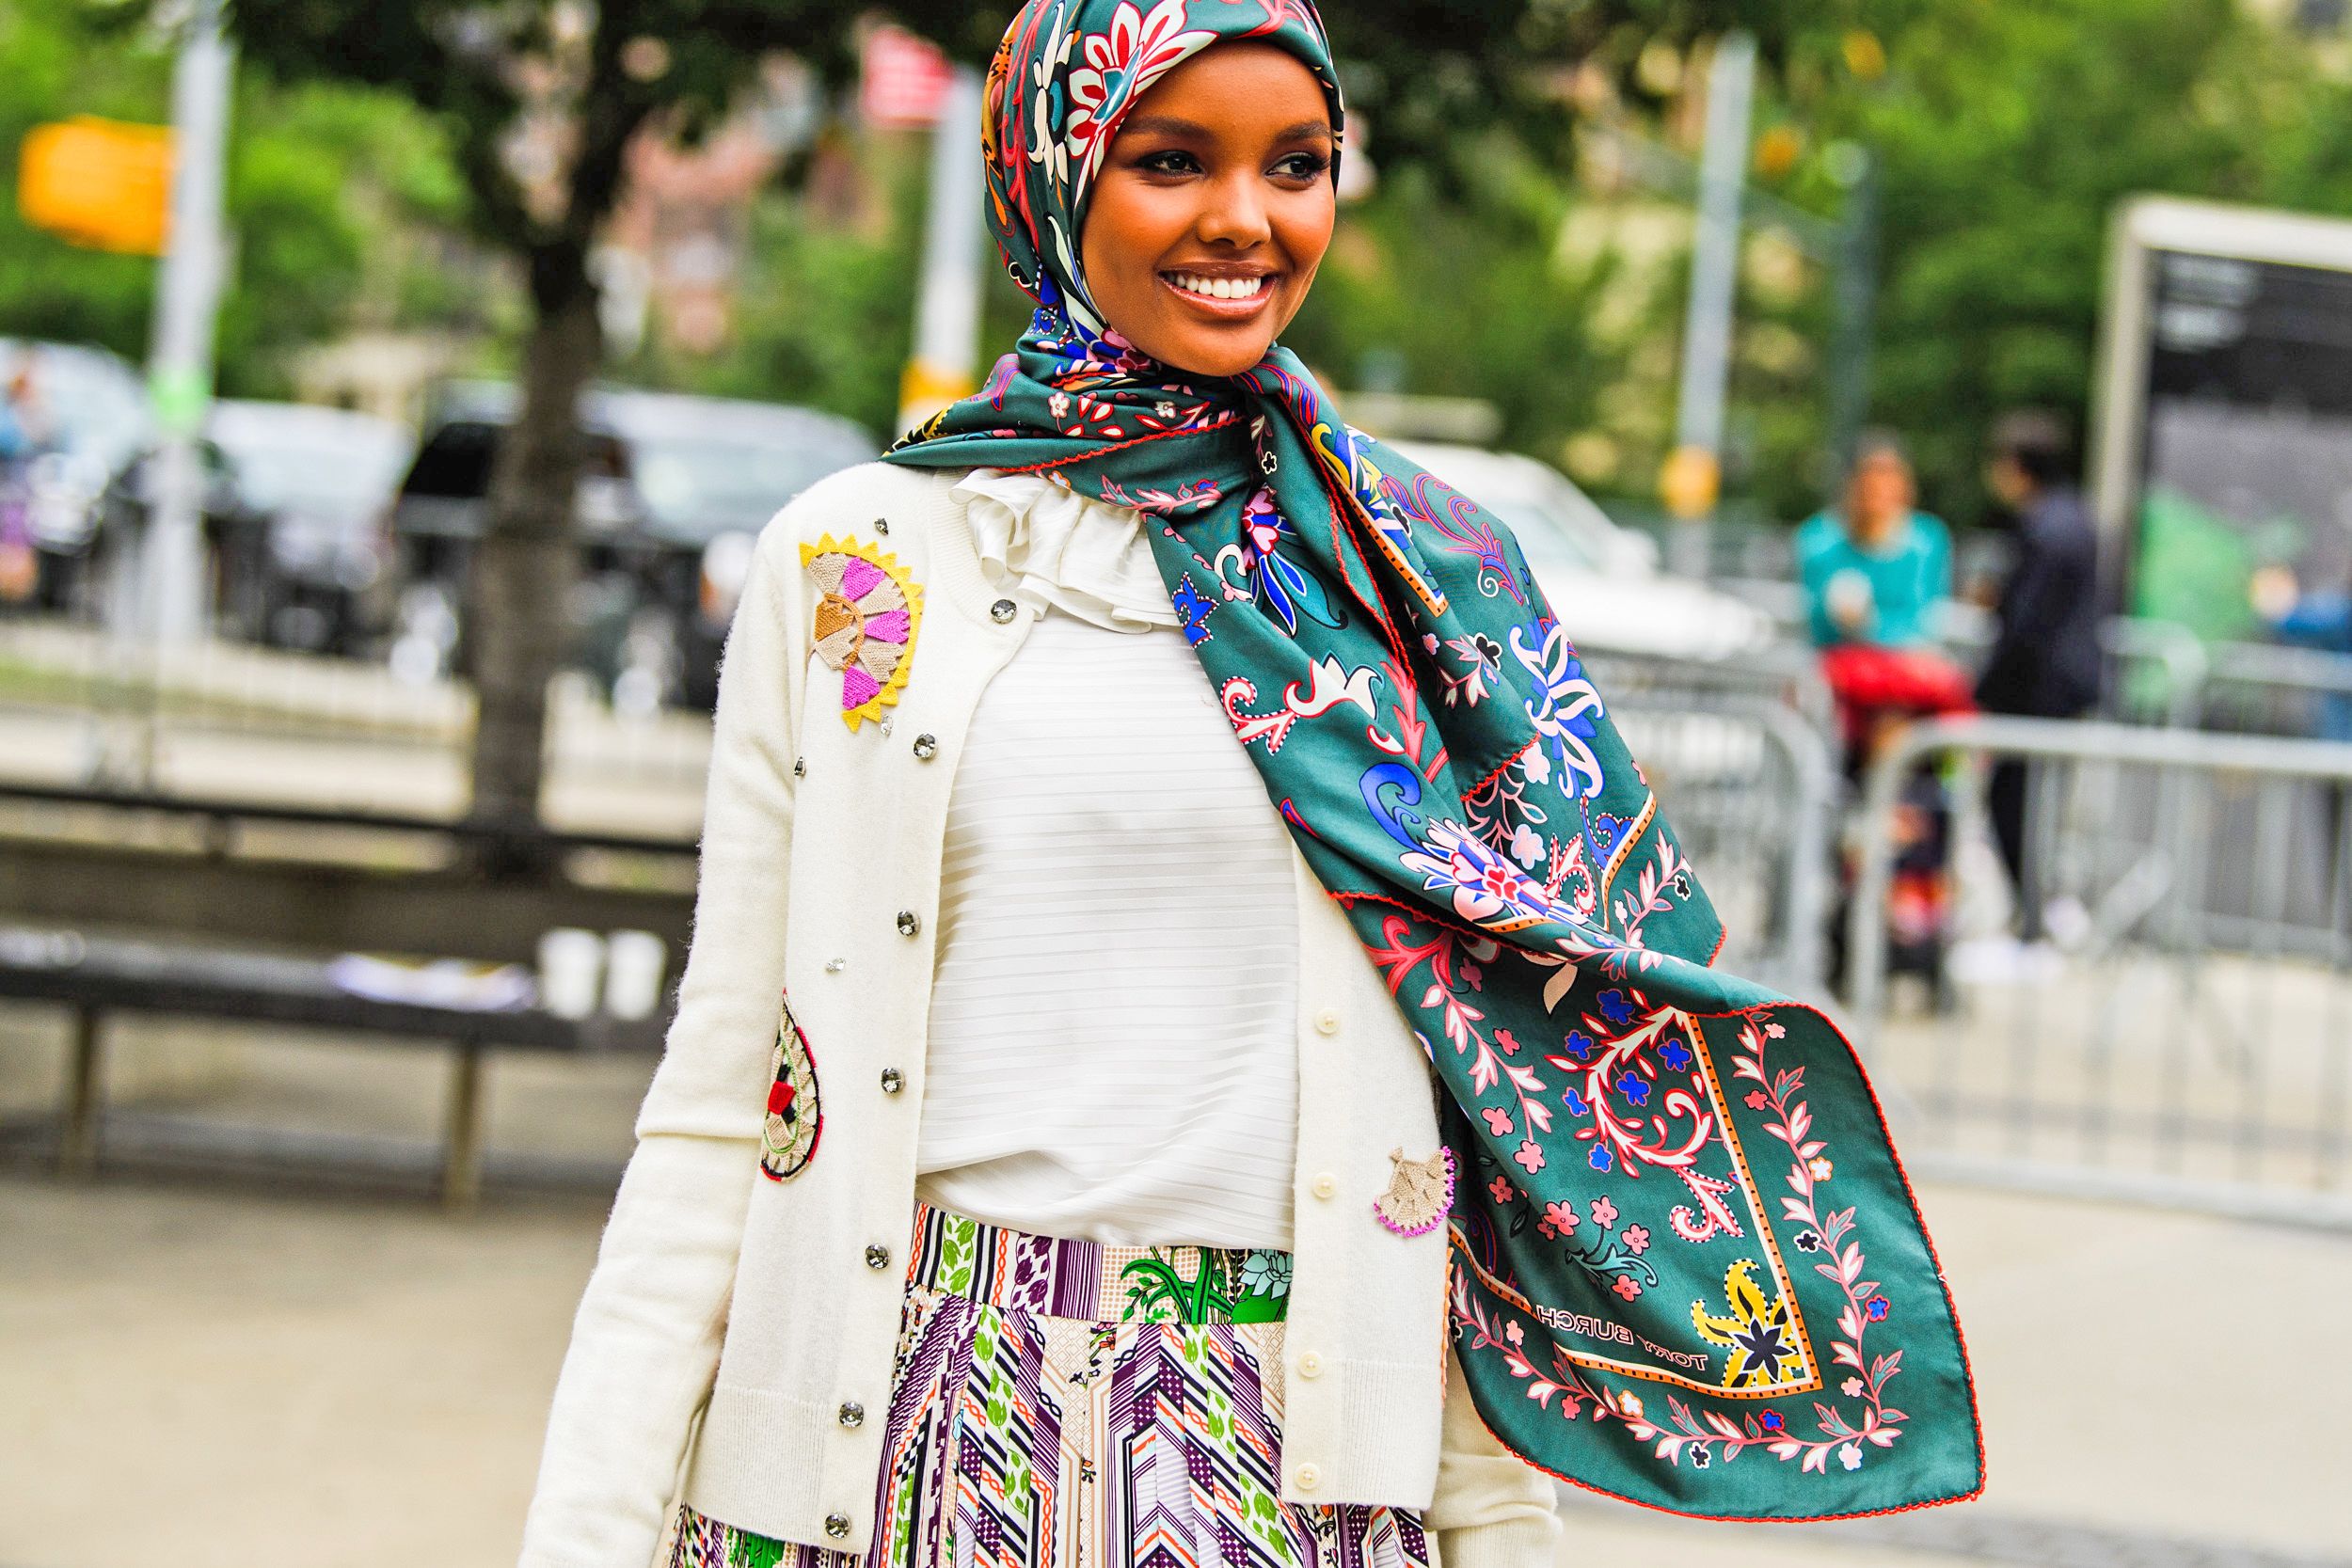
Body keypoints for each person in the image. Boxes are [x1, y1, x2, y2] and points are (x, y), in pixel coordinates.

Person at [517, 8, 1980, 1565]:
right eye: (1171, 160)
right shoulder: (856, 562)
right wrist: (588, 1524)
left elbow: (1488, 1122)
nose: (1247, 217)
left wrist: (1498, 1526)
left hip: (1290, 1467)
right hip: (895, 1439)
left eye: (1297, 164)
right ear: (1052, 177)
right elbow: (721, 1100)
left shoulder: (1415, 584)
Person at [1975, 410, 2100, 943]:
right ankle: (2034, 915)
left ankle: (2032, 919)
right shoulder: (2073, 519)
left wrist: (1981, 692)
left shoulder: (2045, 526)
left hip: (2038, 690)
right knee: (2035, 805)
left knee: (2014, 803)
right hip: (2064, 685)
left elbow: (2027, 623)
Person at [1796, 435, 1953, 656]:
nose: (1877, 491)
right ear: (1849, 484)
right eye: (1867, 482)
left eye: (1887, 478)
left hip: (1902, 671)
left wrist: (1867, 625)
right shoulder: (1818, 541)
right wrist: (1837, 614)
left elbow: (1922, 621)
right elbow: (1814, 623)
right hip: (1838, 666)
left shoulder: (1926, 542)